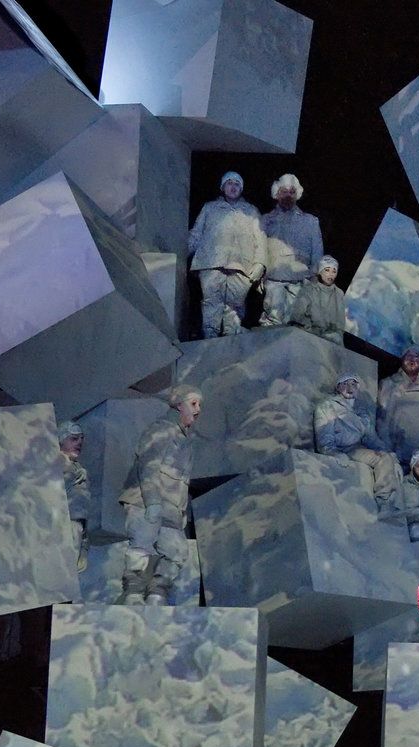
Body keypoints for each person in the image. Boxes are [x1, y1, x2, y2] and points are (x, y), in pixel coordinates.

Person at [118, 385, 201, 604]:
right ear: (178, 405)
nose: (198, 409)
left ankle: (158, 592)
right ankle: (133, 592)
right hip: (145, 501)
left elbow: (181, 481)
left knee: (176, 551)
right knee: (141, 544)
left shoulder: (185, 441)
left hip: (172, 507)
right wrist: (152, 501)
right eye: (193, 403)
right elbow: (149, 466)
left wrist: (181, 512)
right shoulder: (161, 430)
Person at [188, 171, 266, 338]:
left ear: (242, 188)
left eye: (237, 184)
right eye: (229, 183)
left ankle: (231, 344)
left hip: (241, 265)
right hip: (211, 263)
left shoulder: (251, 211)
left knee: (235, 308)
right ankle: (210, 341)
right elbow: (196, 234)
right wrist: (182, 252)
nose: (233, 186)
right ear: (223, 187)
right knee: (211, 304)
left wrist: (260, 263)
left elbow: (260, 239)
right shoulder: (209, 208)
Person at [314, 373, 402, 514]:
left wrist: (390, 454)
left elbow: (371, 439)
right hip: (341, 449)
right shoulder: (327, 407)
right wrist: (334, 453)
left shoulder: (361, 412)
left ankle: (386, 502)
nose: (349, 387)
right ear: (338, 388)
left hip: (356, 449)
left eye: (353, 384)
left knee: (385, 458)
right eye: (345, 384)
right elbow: (324, 439)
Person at [259, 173, 324, 327]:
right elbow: (259, 247)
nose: (288, 195)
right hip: (275, 277)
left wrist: (315, 277)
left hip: (301, 278)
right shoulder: (266, 220)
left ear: (297, 195)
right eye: (284, 191)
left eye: (292, 192)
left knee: (297, 322)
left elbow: (317, 251)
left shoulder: (310, 221)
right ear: (277, 193)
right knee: (272, 321)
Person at [288, 255, 347, 343]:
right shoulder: (308, 289)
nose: (331, 274)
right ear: (320, 272)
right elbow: (297, 316)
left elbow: (340, 324)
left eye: (334, 271)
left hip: (330, 340)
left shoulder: (339, 294)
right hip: (308, 336)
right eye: (327, 270)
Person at [58, 420, 90, 572]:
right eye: (74, 439)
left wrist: (84, 541)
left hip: (75, 527)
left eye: (81, 439)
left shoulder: (78, 467)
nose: (79, 443)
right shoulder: (57, 463)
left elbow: (81, 509)